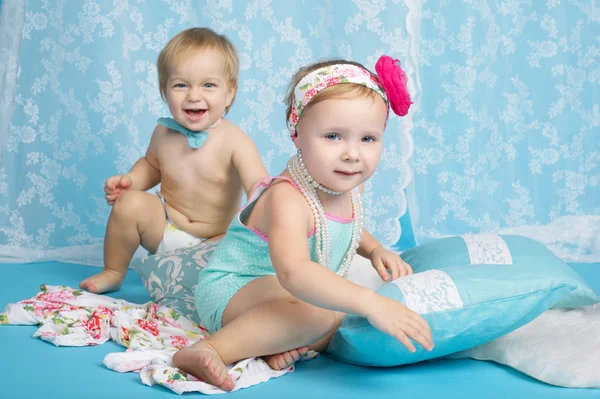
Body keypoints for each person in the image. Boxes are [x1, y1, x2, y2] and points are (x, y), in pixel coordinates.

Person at [172, 56, 434, 391]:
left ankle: (272, 342)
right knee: (323, 313)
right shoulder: (288, 197)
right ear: (297, 134)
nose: (352, 154)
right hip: (235, 288)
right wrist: (373, 302)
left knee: (337, 321)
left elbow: (339, 222)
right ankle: (207, 350)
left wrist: (374, 249)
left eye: (368, 139)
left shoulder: (344, 183)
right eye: (333, 136)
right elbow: (295, 271)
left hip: (281, 292)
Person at [80, 27, 267, 294]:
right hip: (166, 229)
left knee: (236, 264)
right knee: (129, 203)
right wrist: (131, 181)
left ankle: (210, 284)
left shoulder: (236, 141)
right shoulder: (163, 132)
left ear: (229, 93)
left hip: (215, 243)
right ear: (164, 91)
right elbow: (152, 165)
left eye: (208, 85)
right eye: (181, 85)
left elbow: (259, 190)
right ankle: (114, 271)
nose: (193, 95)